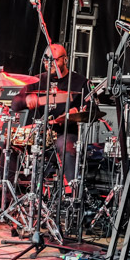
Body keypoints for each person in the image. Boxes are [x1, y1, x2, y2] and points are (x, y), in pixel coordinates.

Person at [11, 44, 90, 185]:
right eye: (46, 60)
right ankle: (8, 193)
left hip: (63, 133)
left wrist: (76, 112)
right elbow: (15, 104)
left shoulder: (80, 82)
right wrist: (26, 99)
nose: (49, 64)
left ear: (65, 60)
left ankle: (70, 194)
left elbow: (90, 109)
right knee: (8, 143)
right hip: (36, 132)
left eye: (54, 60)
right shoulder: (36, 81)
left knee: (66, 145)